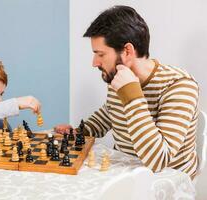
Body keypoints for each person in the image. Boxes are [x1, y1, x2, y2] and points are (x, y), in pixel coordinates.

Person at [55, 5, 199, 179]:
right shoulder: (119, 78)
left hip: (168, 180)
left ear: (128, 51)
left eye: (100, 54)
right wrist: (81, 132)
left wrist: (131, 95)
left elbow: (158, 160)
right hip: (126, 173)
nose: (94, 62)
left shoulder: (179, 86)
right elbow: (111, 112)